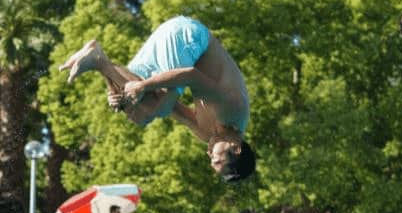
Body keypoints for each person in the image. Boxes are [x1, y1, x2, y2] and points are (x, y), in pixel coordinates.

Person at [59, 16, 256, 182]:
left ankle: (97, 58)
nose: (209, 154)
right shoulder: (234, 108)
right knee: (156, 107)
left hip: (173, 46)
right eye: (217, 160)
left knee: (140, 115)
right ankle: (99, 62)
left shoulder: (208, 135)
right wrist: (144, 86)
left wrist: (123, 98)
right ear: (236, 148)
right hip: (188, 36)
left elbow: (172, 108)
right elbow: (190, 75)